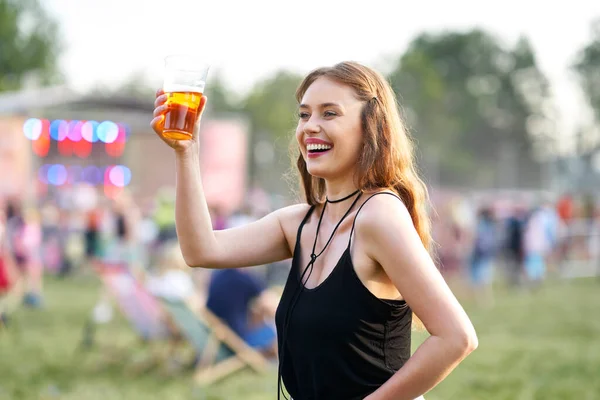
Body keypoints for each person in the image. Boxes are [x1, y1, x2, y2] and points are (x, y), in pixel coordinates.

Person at [151, 61, 477, 400]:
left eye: (330, 113)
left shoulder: (378, 215)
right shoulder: (299, 223)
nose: (310, 127)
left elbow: (456, 337)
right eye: (304, 115)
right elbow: (201, 250)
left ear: (371, 126)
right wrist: (186, 153)